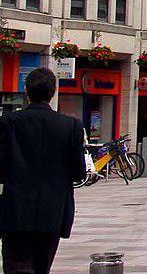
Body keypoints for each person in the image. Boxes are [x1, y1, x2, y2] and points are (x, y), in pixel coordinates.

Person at [0, 68, 86, 274]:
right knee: (41, 266)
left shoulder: (9, 123)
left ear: (26, 91)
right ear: (53, 92)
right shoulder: (71, 126)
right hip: (52, 212)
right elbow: (79, 173)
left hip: (16, 211)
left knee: (17, 264)